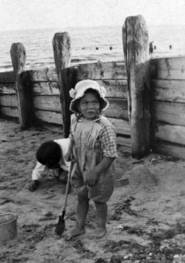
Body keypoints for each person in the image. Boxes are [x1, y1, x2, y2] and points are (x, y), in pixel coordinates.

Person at [67, 79, 117, 239]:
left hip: (99, 169)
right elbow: (72, 137)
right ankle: (79, 226)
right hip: (80, 166)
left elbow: (110, 154)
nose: (90, 107)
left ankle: (101, 227)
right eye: (85, 102)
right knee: (81, 196)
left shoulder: (104, 127)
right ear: (78, 105)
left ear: (101, 104)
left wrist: (95, 171)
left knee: (99, 200)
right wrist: (70, 151)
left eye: (95, 102)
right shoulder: (75, 120)